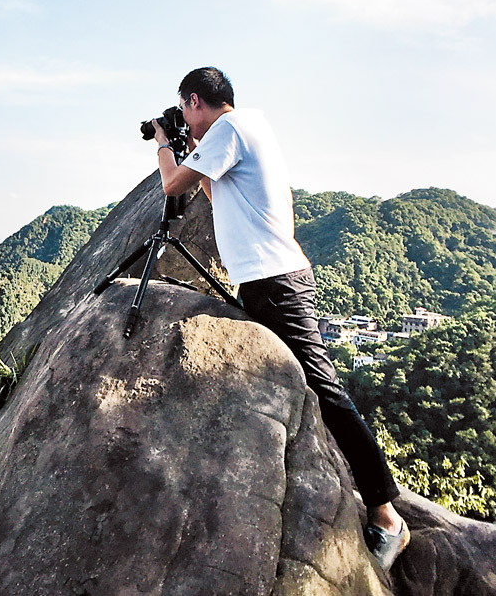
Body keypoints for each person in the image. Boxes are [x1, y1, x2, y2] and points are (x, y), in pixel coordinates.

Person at [151, 66, 409, 570]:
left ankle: (385, 515)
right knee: (295, 388)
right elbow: (211, 189)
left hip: (276, 282)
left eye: (184, 108)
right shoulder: (250, 127)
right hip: (271, 279)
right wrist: (190, 153)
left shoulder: (229, 129)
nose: (183, 118)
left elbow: (171, 185)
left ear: (196, 100)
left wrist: (163, 144)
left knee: (325, 391)